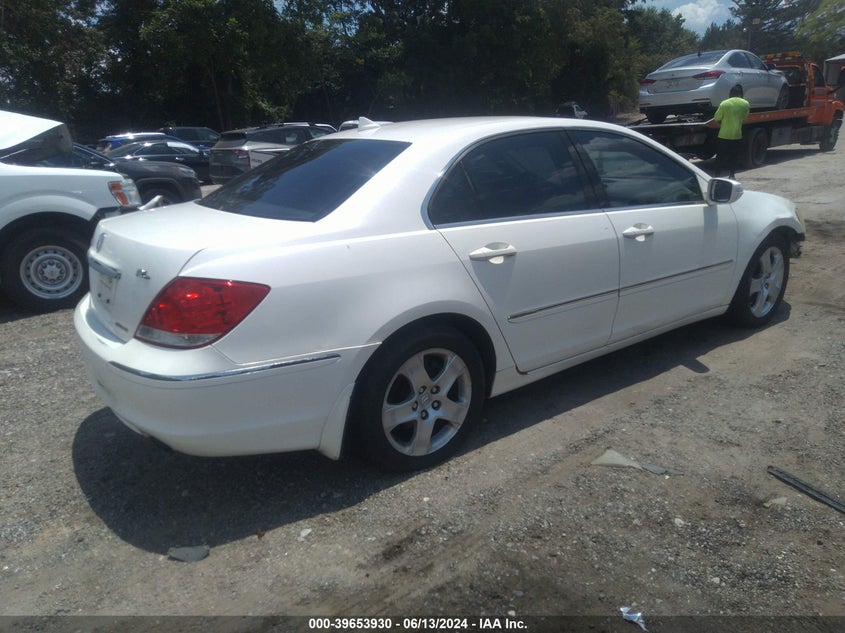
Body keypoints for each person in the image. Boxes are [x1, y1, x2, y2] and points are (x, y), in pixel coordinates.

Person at [710, 84, 750, 179]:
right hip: (737, 135)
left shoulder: (724, 103)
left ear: (730, 93)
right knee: (734, 156)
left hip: (723, 135)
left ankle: (717, 175)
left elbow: (717, 118)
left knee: (720, 156)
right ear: (741, 93)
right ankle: (732, 175)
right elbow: (744, 118)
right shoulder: (745, 103)